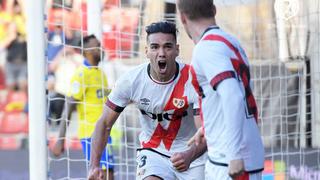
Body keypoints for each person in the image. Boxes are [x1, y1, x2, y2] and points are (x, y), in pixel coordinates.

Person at [88, 21, 207, 180]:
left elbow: (205, 131)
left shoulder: (193, 79)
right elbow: (104, 123)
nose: (162, 53)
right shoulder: (131, 81)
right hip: (153, 153)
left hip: (192, 155)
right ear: (146, 51)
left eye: (168, 46)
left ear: (177, 50)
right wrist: (94, 166)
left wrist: (190, 154)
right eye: (155, 47)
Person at [176, 0, 265, 179]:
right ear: (214, 10)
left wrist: (234, 155)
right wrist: (208, 126)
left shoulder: (207, 48)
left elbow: (233, 96)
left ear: (183, 18)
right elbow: (228, 94)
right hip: (241, 157)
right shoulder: (231, 41)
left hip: (229, 163)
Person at [51, 35, 114, 180]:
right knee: (102, 175)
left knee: (109, 174)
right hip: (91, 133)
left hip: (105, 132)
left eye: (100, 45)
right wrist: (61, 139)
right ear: (86, 51)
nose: (101, 48)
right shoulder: (81, 75)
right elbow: (69, 106)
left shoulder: (100, 73)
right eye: (96, 46)